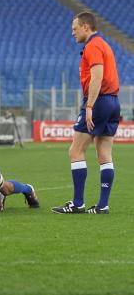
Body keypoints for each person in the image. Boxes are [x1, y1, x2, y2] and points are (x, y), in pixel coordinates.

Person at [52, 12, 120, 214]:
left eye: (75, 28)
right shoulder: (104, 44)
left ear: (86, 27)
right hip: (113, 101)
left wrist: (89, 106)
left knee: (75, 151)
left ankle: (78, 203)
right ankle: (102, 205)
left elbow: (97, 77)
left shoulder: (93, 46)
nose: (72, 33)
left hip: (98, 101)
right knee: (104, 154)